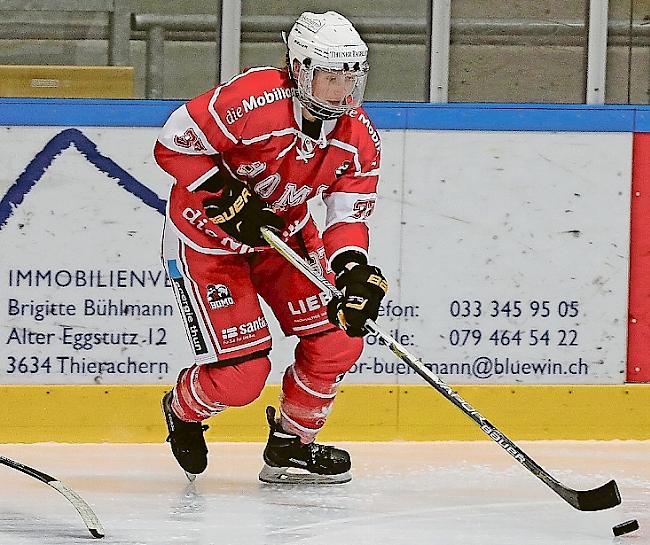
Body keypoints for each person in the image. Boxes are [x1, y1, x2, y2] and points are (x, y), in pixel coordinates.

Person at [154, 10, 388, 484]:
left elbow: (347, 217)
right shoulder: (252, 100)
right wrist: (223, 192)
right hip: (209, 244)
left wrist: (353, 272)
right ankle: (183, 406)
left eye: (351, 77)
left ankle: (292, 445)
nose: (343, 91)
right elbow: (171, 144)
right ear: (299, 68)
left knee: (339, 338)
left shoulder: (358, 137)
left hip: (285, 240)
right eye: (330, 77)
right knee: (242, 378)